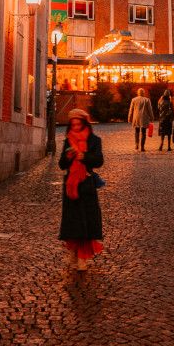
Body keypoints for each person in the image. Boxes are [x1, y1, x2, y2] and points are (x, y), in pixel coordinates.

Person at [57, 109, 105, 271]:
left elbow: (99, 160)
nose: (75, 127)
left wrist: (84, 157)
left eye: (78, 124)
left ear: (84, 124)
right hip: (71, 185)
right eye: (73, 124)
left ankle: (83, 257)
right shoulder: (68, 140)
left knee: (87, 221)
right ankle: (73, 252)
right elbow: (61, 164)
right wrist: (68, 157)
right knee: (72, 222)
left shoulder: (94, 140)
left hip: (87, 184)